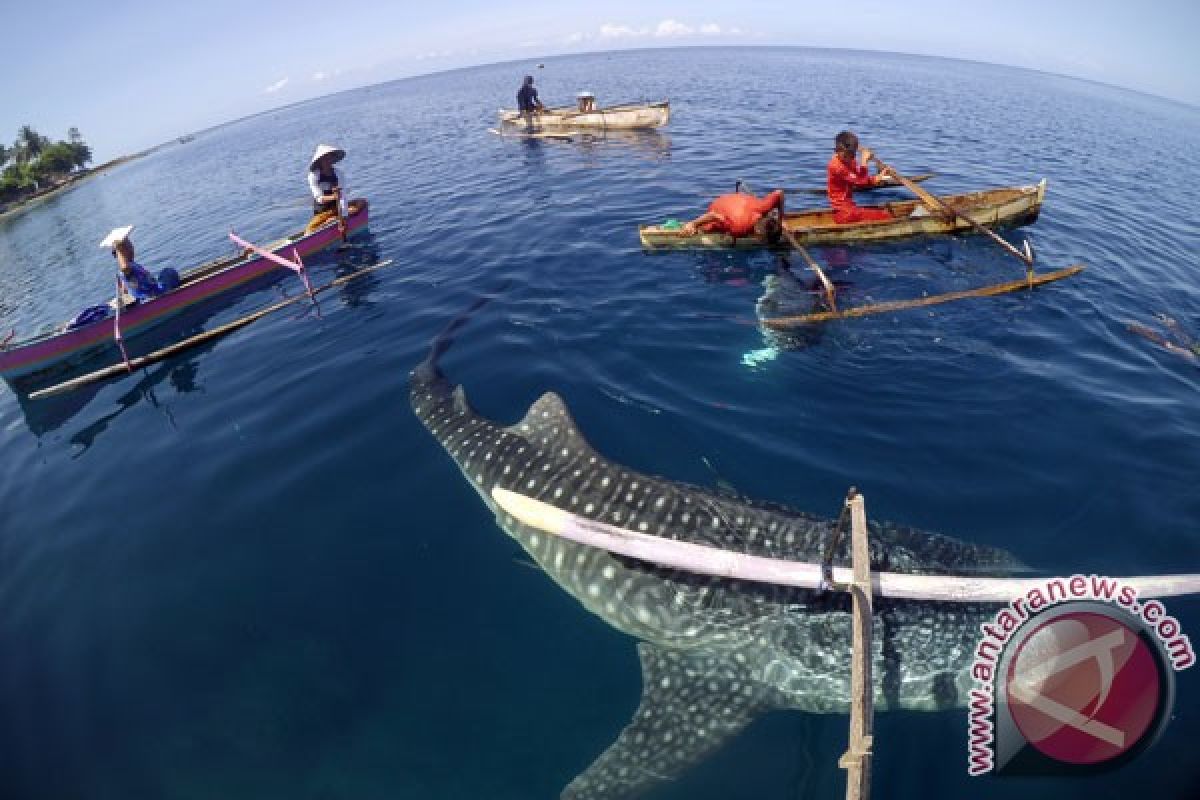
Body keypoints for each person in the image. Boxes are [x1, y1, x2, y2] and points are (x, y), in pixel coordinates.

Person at [827, 131, 895, 224]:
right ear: (837, 151)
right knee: (886, 216)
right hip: (844, 213)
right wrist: (864, 161)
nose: (850, 158)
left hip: (850, 209)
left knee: (880, 214)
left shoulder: (850, 160)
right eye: (846, 156)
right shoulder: (837, 167)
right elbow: (861, 182)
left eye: (852, 155)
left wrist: (880, 176)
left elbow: (859, 178)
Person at [681, 189, 786, 243]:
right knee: (712, 228)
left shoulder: (765, 207)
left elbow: (779, 193)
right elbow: (713, 215)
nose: (762, 241)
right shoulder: (739, 227)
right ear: (758, 232)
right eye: (763, 239)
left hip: (734, 200)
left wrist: (781, 220)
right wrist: (693, 224)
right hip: (719, 206)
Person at [100, 225, 173, 302]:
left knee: (165, 274)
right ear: (122, 251)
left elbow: (125, 290)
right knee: (168, 272)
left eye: (130, 244)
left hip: (152, 291)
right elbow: (125, 268)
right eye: (128, 245)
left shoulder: (131, 266)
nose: (132, 247)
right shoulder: (128, 269)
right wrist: (118, 247)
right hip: (152, 297)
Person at [307, 144, 348, 233]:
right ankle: (328, 223)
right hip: (323, 212)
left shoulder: (339, 173)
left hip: (337, 209)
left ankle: (335, 219)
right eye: (325, 158)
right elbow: (319, 199)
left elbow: (343, 197)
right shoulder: (314, 176)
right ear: (319, 160)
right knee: (309, 230)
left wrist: (344, 217)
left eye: (329, 157)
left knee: (362, 202)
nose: (328, 161)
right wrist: (334, 197)